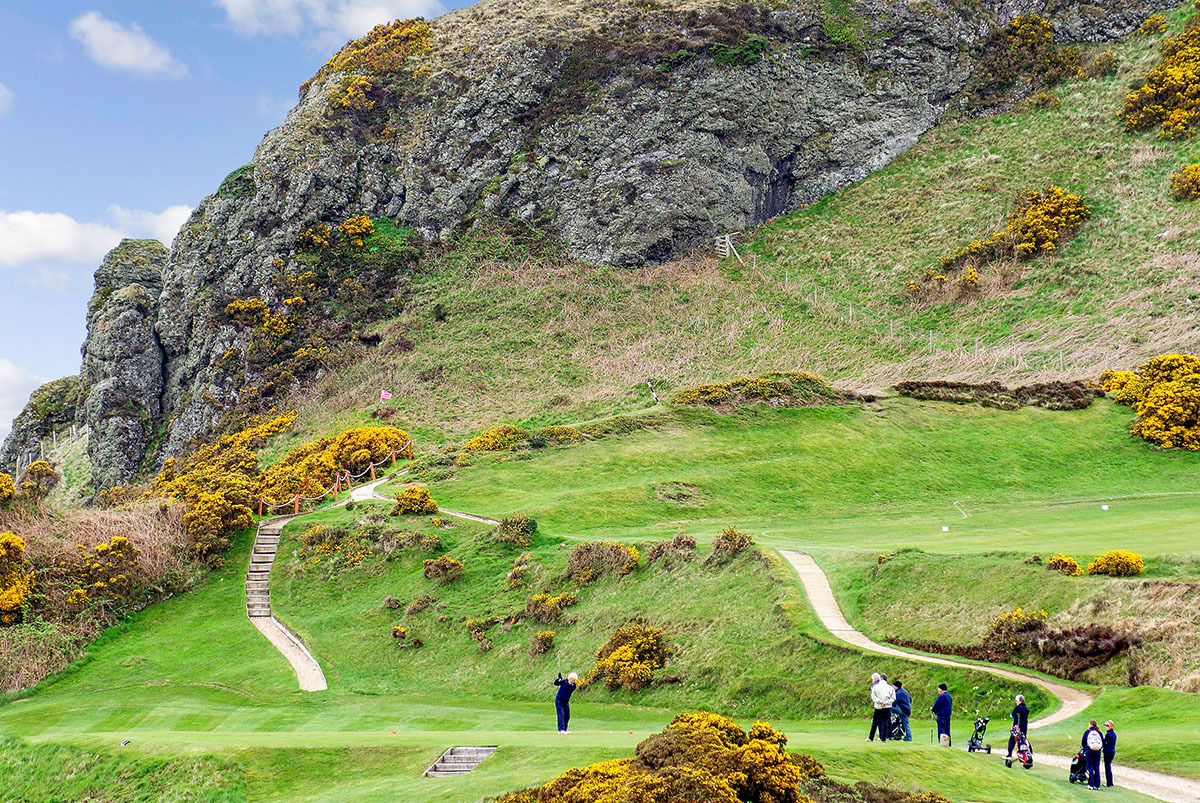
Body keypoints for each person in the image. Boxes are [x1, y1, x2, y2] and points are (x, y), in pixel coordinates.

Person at [867, 672, 895, 742]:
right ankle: (883, 739)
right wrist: (886, 702)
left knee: (875, 722)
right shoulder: (890, 687)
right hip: (887, 706)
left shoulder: (875, 687)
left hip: (878, 706)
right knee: (885, 722)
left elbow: (873, 696)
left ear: (880, 679)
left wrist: (880, 701)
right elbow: (893, 698)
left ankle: (871, 738)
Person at [1082, 719, 1104, 790]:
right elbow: (1102, 743)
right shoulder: (1099, 733)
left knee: (1090, 768)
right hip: (1097, 752)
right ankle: (1097, 785)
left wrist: (1085, 750)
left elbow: (1083, 742)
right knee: (1096, 768)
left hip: (1089, 751)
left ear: (1090, 725)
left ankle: (1090, 784)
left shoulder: (1087, 732)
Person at [1006, 694, 1029, 759]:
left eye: (1016, 701)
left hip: (1017, 727)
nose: (1016, 702)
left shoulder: (1017, 708)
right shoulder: (1026, 709)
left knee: (1012, 741)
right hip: (1024, 727)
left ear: (1019, 701)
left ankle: (1009, 754)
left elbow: (1012, 715)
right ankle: (1024, 754)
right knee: (1023, 740)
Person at [1103, 720, 1117, 788]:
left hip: (1107, 752)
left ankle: (1109, 783)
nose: (1105, 727)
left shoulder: (1108, 734)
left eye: (1106, 726)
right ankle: (1110, 782)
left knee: (1107, 767)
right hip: (1112, 752)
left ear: (1109, 726)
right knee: (1109, 767)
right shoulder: (1114, 734)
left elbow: (1104, 742)